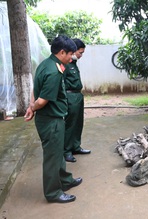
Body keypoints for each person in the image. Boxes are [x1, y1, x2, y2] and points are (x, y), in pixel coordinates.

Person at [24, 35, 82, 203]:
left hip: (51, 118)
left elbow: (36, 90)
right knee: (52, 158)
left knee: (57, 154)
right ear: (62, 52)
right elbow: (42, 101)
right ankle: (53, 193)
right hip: (51, 120)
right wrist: (33, 108)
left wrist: (31, 104)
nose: (71, 57)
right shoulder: (54, 71)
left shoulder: (45, 64)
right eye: (70, 54)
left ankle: (65, 180)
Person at [63, 38, 91, 163]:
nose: (81, 55)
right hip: (70, 97)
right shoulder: (65, 64)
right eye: (80, 52)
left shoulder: (73, 64)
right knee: (70, 125)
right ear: (73, 51)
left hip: (77, 96)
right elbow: (62, 83)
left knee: (78, 123)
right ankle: (66, 151)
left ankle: (75, 146)